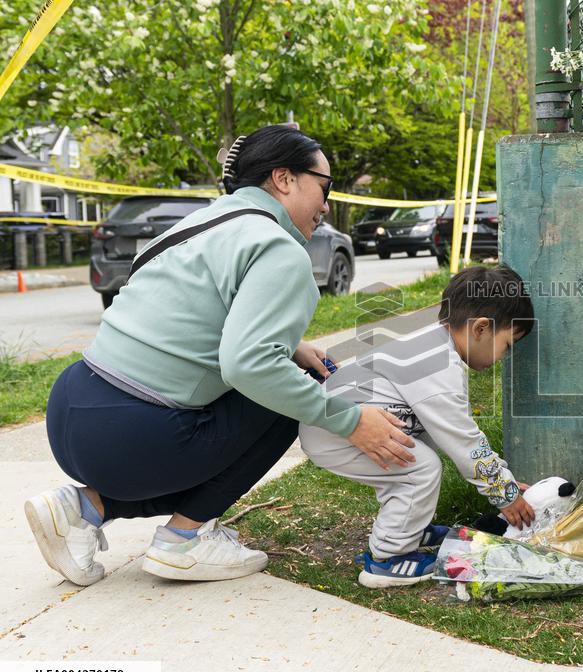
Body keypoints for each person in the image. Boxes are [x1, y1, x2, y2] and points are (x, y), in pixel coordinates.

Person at [25, 124, 415, 586]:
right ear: (284, 179)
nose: (326, 205)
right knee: (286, 394)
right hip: (131, 435)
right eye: (324, 187)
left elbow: (185, 310)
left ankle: (83, 508)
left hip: (74, 406)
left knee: (275, 379)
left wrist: (290, 346)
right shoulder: (278, 246)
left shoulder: (200, 222)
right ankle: (184, 540)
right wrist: (351, 421)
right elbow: (251, 366)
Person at [299, 265, 536, 588]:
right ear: (480, 329)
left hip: (331, 423)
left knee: (414, 456)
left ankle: (408, 527)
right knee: (420, 468)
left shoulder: (429, 340)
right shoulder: (439, 367)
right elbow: (465, 443)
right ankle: (389, 557)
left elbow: (449, 433)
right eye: (507, 344)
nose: (504, 356)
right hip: (338, 430)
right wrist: (505, 493)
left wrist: (499, 479)